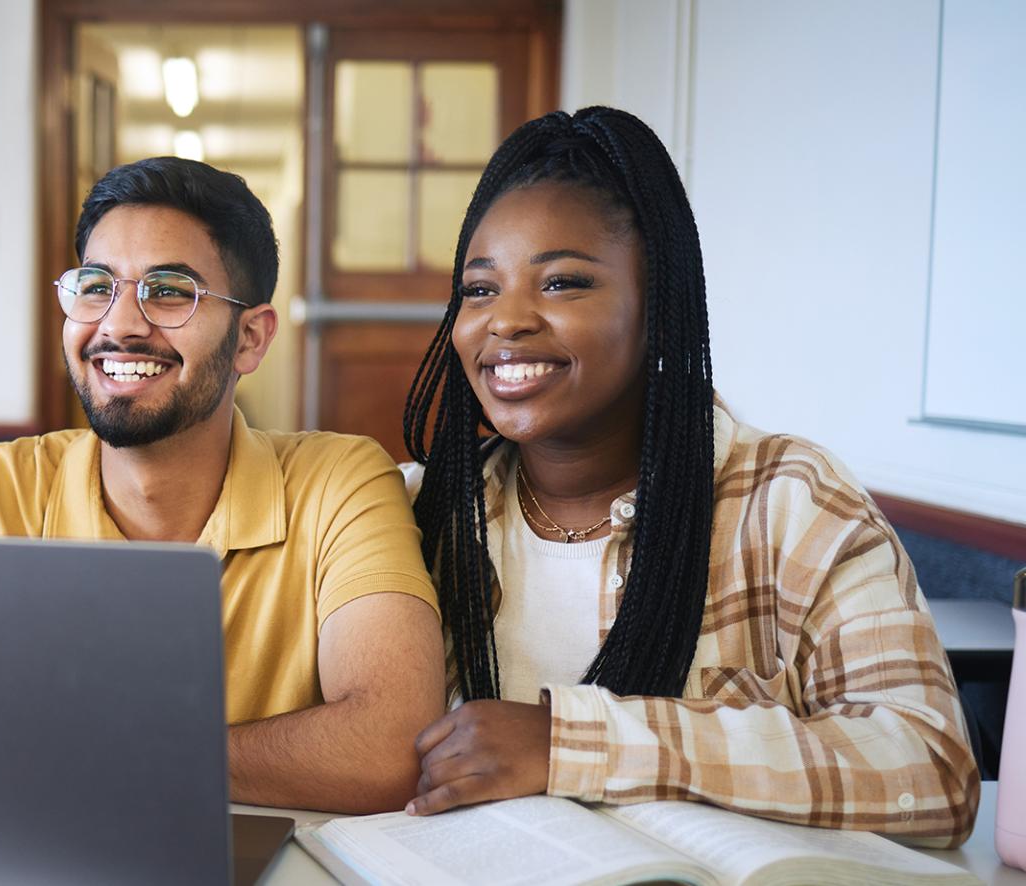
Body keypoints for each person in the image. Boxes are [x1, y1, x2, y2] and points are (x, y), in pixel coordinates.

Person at [400, 107, 978, 845]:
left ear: (658, 308)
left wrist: (568, 746)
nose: (505, 320)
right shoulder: (418, 512)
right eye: (479, 290)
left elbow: (930, 768)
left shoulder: (792, 502)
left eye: (563, 283)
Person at [0, 157, 445, 814]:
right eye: (96, 286)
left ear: (250, 339)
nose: (120, 324)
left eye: (171, 291)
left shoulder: (341, 484)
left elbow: (387, 747)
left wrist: (78, 753)